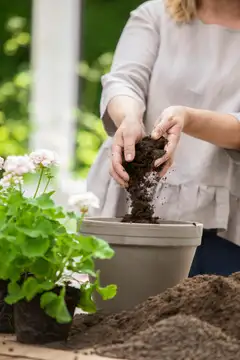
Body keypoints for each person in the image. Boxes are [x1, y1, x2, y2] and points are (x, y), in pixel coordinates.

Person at [87, 0, 240, 276]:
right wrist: (129, 117)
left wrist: (188, 118)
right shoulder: (156, 15)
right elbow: (124, 81)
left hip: (224, 223)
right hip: (134, 203)